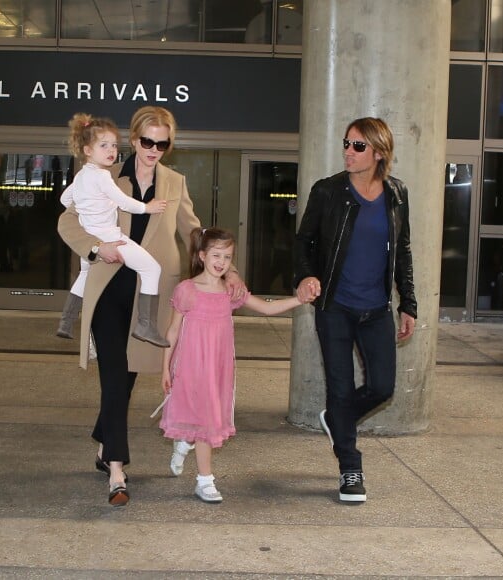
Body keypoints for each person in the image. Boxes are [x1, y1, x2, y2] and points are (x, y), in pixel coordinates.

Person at [58, 106, 246, 507]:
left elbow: (195, 233)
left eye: (162, 143)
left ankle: (102, 440)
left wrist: (226, 269)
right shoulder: (105, 175)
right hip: (108, 287)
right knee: (113, 372)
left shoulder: (174, 182)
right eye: (147, 141)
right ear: (134, 138)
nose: (154, 149)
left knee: (125, 379)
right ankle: (116, 468)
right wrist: (97, 247)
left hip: (151, 293)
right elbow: (67, 222)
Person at [294, 117, 417, 503]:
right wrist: (306, 276)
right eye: (346, 143)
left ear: (379, 153)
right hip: (335, 307)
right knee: (342, 387)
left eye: (358, 146)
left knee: (382, 387)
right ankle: (350, 467)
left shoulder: (397, 194)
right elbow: (303, 243)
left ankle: (336, 419)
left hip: (377, 308)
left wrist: (408, 303)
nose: (349, 151)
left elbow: (404, 251)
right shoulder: (328, 191)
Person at [159, 227, 308, 503]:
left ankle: (192, 457)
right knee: (201, 417)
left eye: (227, 257)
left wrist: (297, 300)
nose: (221, 262)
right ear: (202, 256)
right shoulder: (187, 290)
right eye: (216, 255)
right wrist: (165, 367)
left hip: (218, 367)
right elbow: (173, 331)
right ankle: (198, 468)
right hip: (191, 365)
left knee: (205, 417)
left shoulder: (231, 291)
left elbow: (264, 308)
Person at [56, 113, 168, 347]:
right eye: (104, 145)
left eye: (115, 145)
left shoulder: (81, 176)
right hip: (109, 237)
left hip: (91, 238)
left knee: (84, 276)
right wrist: (147, 208)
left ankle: (66, 322)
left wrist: (90, 207)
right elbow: (123, 201)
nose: (111, 150)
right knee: (152, 269)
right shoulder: (103, 176)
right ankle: (145, 325)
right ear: (88, 150)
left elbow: (65, 198)